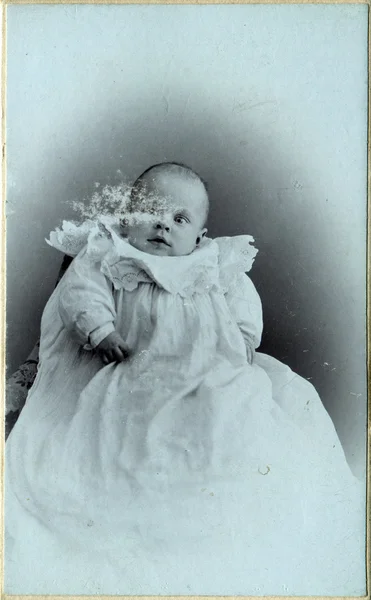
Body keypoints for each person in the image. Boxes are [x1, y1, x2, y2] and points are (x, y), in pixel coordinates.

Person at [5, 162, 365, 595]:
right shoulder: (111, 253)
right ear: (127, 216)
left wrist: (244, 340)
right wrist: (100, 330)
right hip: (128, 366)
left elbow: (242, 304)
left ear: (199, 235)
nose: (163, 225)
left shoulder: (212, 262)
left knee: (234, 410)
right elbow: (80, 292)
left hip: (205, 370)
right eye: (152, 212)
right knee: (120, 426)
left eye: (180, 218)